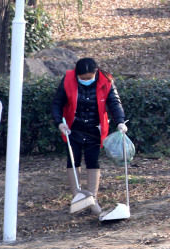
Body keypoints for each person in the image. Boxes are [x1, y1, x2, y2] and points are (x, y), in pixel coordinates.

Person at [51, 57, 127, 216]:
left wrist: (120, 122)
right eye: (82, 78)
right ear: (76, 75)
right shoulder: (68, 79)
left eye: (89, 78)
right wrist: (59, 123)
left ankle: (92, 198)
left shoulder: (106, 81)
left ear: (96, 72)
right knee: (73, 159)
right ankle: (78, 197)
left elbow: (114, 103)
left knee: (93, 160)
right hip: (72, 128)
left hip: (95, 128)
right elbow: (57, 103)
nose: (86, 81)